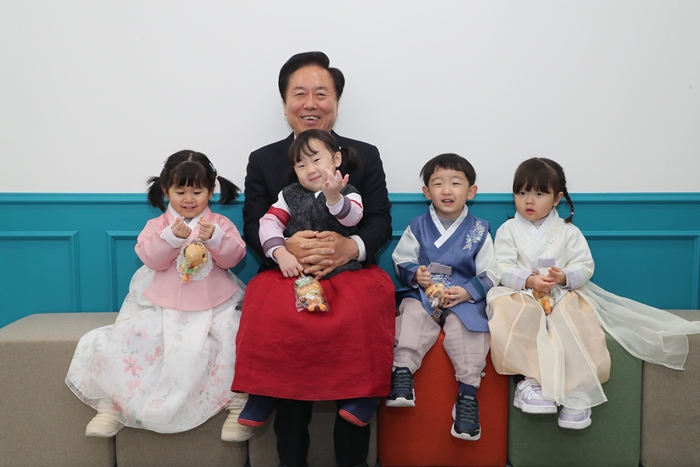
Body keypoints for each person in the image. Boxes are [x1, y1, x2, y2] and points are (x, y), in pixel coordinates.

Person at [234, 52, 395, 467]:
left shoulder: (364, 155)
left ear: (336, 102)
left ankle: (358, 420)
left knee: (364, 306)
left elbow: (379, 221)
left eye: (321, 94)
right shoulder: (264, 159)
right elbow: (255, 223)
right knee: (277, 312)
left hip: (351, 272)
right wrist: (286, 249)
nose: (310, 103)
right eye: (299, 93)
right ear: (284, 102)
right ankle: (276, 423)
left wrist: (350, 247)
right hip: (288, 271)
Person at [487, 157, 700, 430]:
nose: (529, 200)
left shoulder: (568, 232)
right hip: (522, 293)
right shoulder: (508, 231)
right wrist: (528, 280)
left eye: (539, 194)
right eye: (521, 192)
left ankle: (578, 391)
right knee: (514, 315)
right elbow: (501, 266)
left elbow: (585, 265)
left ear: (557, 198)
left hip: (560, 292)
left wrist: (564, 276)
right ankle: (530, 383)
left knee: (578, 320)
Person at [65, 150, 252, 442]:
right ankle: (113, 405)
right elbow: (151, 259)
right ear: (165, 190)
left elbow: (233, 257)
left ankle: (237, 403)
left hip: (214, 302)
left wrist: (216, 238)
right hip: (162, 302)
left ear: (211, 190)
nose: (189, 199)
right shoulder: (158, 226)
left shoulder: (220, 224)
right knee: (131, 335)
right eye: (180, 191)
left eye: (197, 192)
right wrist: (171, 238)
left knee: (233, 334)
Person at [388, 153, 499, 441]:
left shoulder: (479, 230)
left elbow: (490, 271)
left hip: (462, 297)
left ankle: (467, 396)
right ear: (427, 192)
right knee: (412, 313)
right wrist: (416, 274)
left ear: (471, 191)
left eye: (456, 183)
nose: (447, 190)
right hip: (424, 294)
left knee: (470, 328)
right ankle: (402, 372)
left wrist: (468, 291)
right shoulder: (417, 226)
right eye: (438, 183)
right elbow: (401, 259)